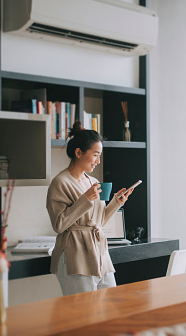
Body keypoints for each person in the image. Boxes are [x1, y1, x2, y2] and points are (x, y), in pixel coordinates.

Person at [46, 121, 134, 295]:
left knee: (111, 307)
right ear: (79, 153)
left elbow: (98, 221)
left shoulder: (93, 182)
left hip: (100, 253)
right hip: (75, 255)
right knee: (82, 313)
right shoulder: (60, 183)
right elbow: (59, 225)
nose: (98, 161)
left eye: (100, 155)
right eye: (95, 155)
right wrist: (85, 199)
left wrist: (117, 203)